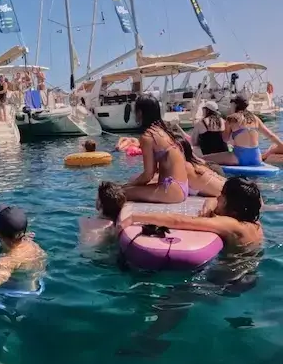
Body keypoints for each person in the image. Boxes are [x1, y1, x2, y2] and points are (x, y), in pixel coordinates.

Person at [122, 177, 263, 250]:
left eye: (222, 196)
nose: (218, 197)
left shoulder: (231, 224)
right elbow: (213, 200)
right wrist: (209, 208)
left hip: (229, 279)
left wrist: (136, 216)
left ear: (232, 205)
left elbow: (180, 221)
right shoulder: (253, 222)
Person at [120, 95, 189, 203]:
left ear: (140, 113)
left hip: (171, 191)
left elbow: (148, 175)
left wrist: (127, 186)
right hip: (182, 187)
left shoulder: (147, 137)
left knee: (119, 192)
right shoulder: (163, 130)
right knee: (131, 183)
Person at [203, 95, 283, 166]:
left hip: (239, 157)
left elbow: (225, 139)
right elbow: (271, 135)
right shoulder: (255, 118)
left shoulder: (231, 118)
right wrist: (281, 146)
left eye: (231, 104)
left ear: (234, 105)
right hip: (256, 158)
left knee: (204, 158)